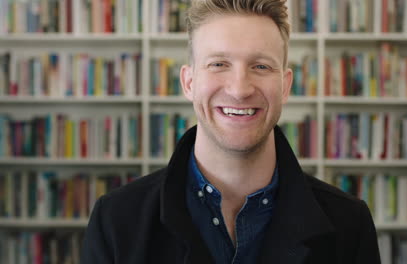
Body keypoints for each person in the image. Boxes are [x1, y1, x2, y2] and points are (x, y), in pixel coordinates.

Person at [81, 0, 381, 263]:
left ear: (285, 86)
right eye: (219, 63)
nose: (239, 90)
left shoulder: (349, 223)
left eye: (261, 67)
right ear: (188, 82)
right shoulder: (116, 219)